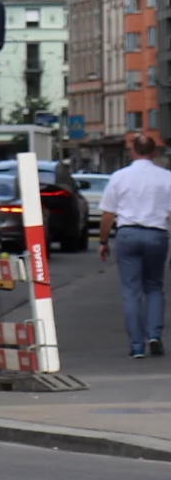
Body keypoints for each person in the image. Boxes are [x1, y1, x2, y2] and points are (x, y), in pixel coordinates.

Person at [98, 135, 171, 357]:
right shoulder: (166, 177)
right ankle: (154, 335)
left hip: (128, 234)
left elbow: (108, 213)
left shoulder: (119, 177)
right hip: (157, 235)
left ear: (132, 152)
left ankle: (137, 346)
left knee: (131, 291)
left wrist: (103, 242)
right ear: (154, 152)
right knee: (154, 287)